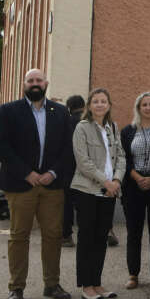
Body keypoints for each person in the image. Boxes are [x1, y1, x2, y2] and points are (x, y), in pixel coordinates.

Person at [0, 68, 73, 299]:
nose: (35, 83)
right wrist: (26, 173)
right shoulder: (9, 111)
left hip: (52, 185)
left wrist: (53, 172)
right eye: (31, 80)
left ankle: (52, 284)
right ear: (24, 84)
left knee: (53, 235)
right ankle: (16, 287)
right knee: (19, 236)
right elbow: (1, 146)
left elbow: (68, 149)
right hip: (20, 184)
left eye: (39, 80)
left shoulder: (60, 112)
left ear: (46, 83)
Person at [71, 88, 126, 299]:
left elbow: (121, 156)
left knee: (101, 238)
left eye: (104, 101)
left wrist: (117, 181)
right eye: (96, 101)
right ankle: (86, 285)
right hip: (88, 190)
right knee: (87, 237)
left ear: (109, 105)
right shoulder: (82, 128)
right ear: (89, 106)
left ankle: (97, 281)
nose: (100, 104)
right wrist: (106, 182)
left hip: (110, 191)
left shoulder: (112, 127)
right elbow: (83, 162)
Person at [119, 92, 150, 289]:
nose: (147, 108)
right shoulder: (128, 131)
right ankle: (133, 274)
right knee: (133, 231)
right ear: (138, 108)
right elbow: (122, 158)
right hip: (133, 186)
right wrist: (137, 177)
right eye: (144, 105)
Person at [61, 94, 85, 248]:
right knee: (86, 203)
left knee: (67, 203)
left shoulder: (67, 121)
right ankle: (102, 232)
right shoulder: (89, 121)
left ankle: (66, 236)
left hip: (69, 168)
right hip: (87, 168)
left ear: (69, 107)